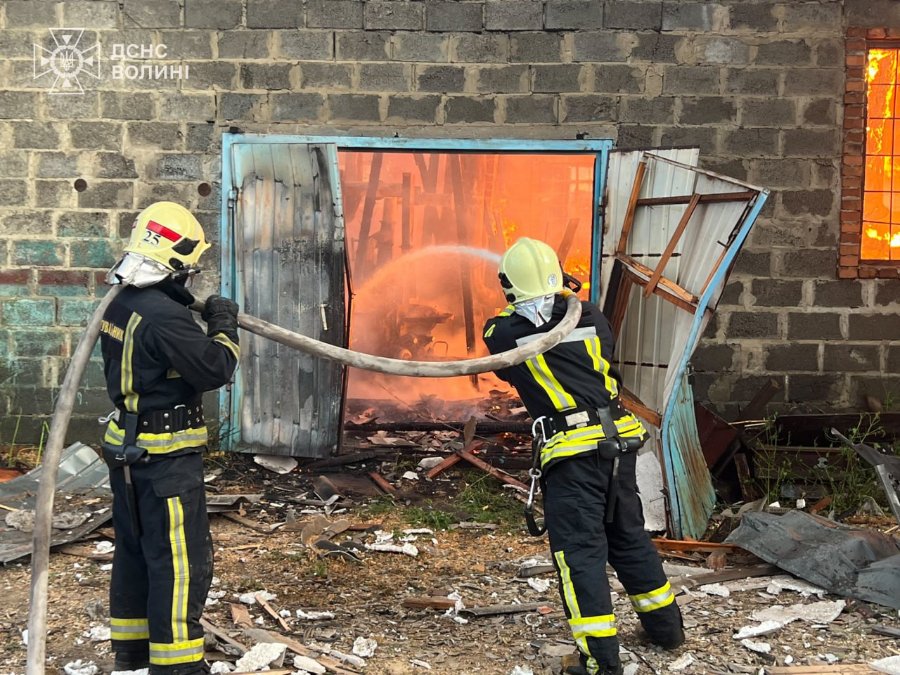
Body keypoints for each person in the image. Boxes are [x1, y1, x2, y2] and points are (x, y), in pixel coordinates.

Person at [482, 238, 684, 675]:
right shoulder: (591, 315)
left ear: (509, 286)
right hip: (618, 444)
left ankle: (600, 662)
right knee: (628, 536)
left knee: (580, 554)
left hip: (573, 456)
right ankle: (666, 630)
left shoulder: (504, 334)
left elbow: (503, 360)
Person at [98, 201, 240, 675]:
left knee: (136, 551)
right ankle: (178, 665)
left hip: (127, 450)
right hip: (165, 458)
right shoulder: (163, 315)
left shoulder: (121, 301)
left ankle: (133, 653)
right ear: (177, 264)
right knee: (180, 562)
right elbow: (215, 368)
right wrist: (223, 324)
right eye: (190, 268)